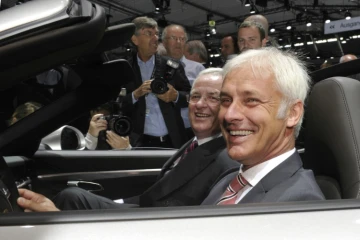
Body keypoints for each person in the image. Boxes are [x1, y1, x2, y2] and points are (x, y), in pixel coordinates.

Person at [17, 68, 240, 211]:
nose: (200, 104)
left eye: (213, 98)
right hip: (145, 210)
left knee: (70, 198)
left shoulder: (226, 158)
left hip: (155, 225)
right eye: (195, 97)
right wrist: (118, 203)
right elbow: (156, 194)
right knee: (72, 196)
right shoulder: (195, 144)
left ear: (228, 105)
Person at [202, 47, 325, 205]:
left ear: (292, 113)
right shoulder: (228, 179)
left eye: (251, 100)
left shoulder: (298, 203)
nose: (229, 115)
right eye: (226, 100)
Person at [121, 17, 191, 149]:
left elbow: (191, 97)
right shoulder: (124, 68)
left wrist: (175, 96)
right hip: (140, 141)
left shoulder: (172, 65)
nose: (155, 38)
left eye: (157, 34)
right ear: (134, 39)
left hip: (173, 139)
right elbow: (116, 104)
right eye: (148, 33)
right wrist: (135, 95)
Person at [162, 24, 205, 139]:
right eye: (173, 38)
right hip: (165, 130)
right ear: (164, 42)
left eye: (182, 39)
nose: (178, 42)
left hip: (191, 129)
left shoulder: (198, 69)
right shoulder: (156, 67)